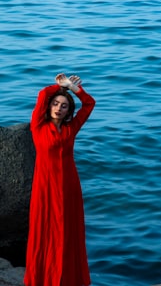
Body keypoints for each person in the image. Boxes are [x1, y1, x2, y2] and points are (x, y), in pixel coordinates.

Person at [24, 73, 96, 286]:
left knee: (67, 232)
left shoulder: (70, 129)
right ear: (49, 106)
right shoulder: (38, 126)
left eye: (64, 106)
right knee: (44, 232)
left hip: (69, 187)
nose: (58, 108)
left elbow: (89, 104)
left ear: (68, 112)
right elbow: (42, 94)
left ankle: (67, 279)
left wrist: (75, 90)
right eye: (55, 104)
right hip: (45, 187)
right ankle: (43, 279)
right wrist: (60, 86)